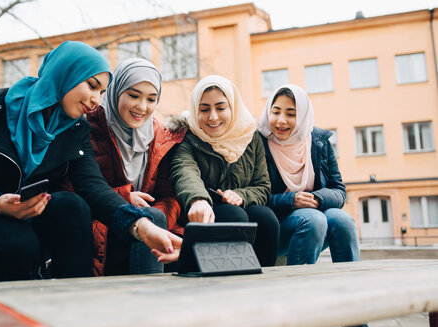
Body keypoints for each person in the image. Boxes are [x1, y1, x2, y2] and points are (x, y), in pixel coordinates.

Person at [0, 41, 181, 288]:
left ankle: (72, 308)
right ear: (66, 72)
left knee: (73, 205)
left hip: (31, 222)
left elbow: (94, 188)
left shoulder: (74, 129)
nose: (95, 100)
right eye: (92, 86)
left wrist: (143, 227)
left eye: (102, 92)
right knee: (17, 241)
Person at [85, 58, 186, 275]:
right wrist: (125, 198)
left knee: (156, 217)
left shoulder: (160, 134)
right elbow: (77, 188)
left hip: (147, 235)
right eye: (133, 95)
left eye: (151, 99)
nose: (142, 107)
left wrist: (152, 219)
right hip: (101, 230)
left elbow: (170, 196)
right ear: (116, 91)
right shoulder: (89, 127)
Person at [169, 75, 279, 267]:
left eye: (220, 108)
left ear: (233, 107)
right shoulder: (187, 135)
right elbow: (184, 169)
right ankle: (228, 282)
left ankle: (263, 282)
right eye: (204, 109)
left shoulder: (250, 136)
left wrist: (240, 195)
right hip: (200, 209)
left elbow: (262, 186)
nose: (213, 117)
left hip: (240, 204)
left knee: (266, 218)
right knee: (234, 215)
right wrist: (198, 199)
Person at [258, 83, 360, 265]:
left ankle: (352, 283)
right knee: (313, 219)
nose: (281, 120)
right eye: (275, 112)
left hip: (316, 220)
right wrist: (291, 200)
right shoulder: (258, 143)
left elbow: (339, 191)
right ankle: (299, 286)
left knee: (342, 219)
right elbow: (255, 195)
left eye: (291, 114)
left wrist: (317, 198)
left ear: (304, 115)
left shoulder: (319, 142)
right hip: (276, 228)